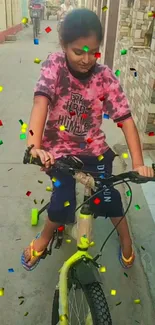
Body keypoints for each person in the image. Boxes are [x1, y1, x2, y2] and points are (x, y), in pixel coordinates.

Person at [21, 8, 154, 271]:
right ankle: (44, 239)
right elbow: (40, 103)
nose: (86, 59)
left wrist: (139, 164)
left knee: (109, 198)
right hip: (59, 151)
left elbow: (126, 119)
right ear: (64, 45)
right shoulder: (55, 66)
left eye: (93, 52)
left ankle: (126, 240)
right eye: (78, 51)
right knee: (62, 201)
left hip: (94, 151)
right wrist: (35, 147)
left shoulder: (104, 76)